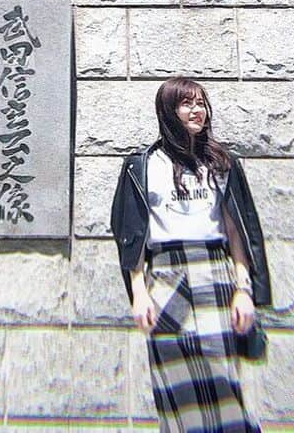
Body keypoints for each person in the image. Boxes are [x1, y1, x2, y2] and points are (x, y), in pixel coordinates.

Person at [110, 77, 271, 433]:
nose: (197, 110)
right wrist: (138, 294)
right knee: (175, 385)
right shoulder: (141, 166)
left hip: (214, 273)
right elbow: (131, 236)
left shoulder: (221, 163)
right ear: (168, 112)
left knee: (223, 380)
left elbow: (237, 231)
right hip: (165, 278)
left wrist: (244, 290)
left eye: (200, 103)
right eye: (186, 104)